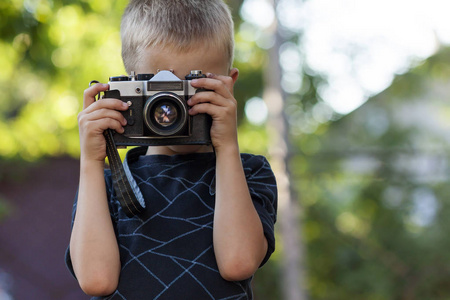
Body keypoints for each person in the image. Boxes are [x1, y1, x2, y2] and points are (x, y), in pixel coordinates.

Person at [65, 0, 277, 299]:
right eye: (160, 87)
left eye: (193, 84)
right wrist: (91, 161)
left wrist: (227, 145)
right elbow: (97, 281)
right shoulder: (108, 182)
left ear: (229, 85)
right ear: (131, 86)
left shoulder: (250, 172)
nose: (172, 105)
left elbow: (238, 264)